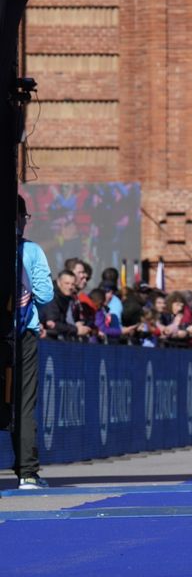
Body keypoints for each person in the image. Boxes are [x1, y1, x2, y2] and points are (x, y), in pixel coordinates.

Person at [11, 195, 53, 488]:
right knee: (24, 403)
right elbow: (45, 294)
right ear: (20, 218)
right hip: (22, 332)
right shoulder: (32, 250)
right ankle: (27, 472)